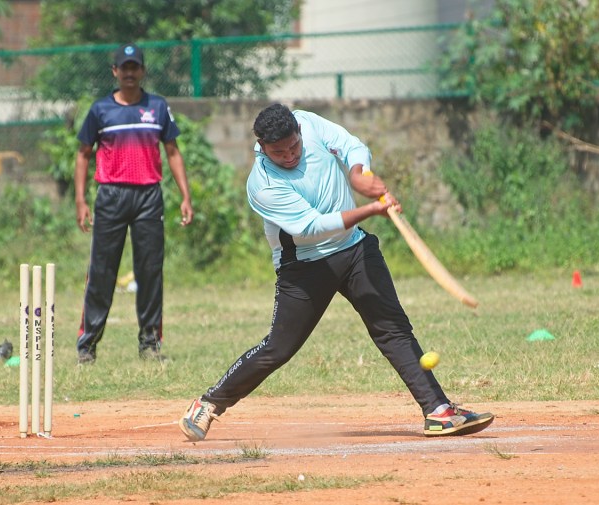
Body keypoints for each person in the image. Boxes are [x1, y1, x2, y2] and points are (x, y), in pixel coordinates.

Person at [178, 103, 493, 441]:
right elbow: (312, 227)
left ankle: (438, 411)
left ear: (299, 131)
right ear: (262, 147)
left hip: (355, 249)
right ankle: (208, 403)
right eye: (278, 152)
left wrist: (358, 173)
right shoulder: (262, 184)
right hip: (305, 266)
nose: (289, 156)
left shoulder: (309, 122)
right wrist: (370, 210)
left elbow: (352, 146)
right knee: (279, 348)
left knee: (392, 328)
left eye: (294, 146)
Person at [74, 43, 194, 364]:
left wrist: (185, 196)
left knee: (150, 271)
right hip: (111, 195)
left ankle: (150, 344)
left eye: (134, 67)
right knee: (102, 271)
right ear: (115, 71)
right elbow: (83, 155)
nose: (129, 73)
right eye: (124, 67)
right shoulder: (100, 110)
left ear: (142, 71)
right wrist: (80, 200)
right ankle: (87, 346)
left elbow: (172, 151)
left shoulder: (157, 107)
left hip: (148, 197)